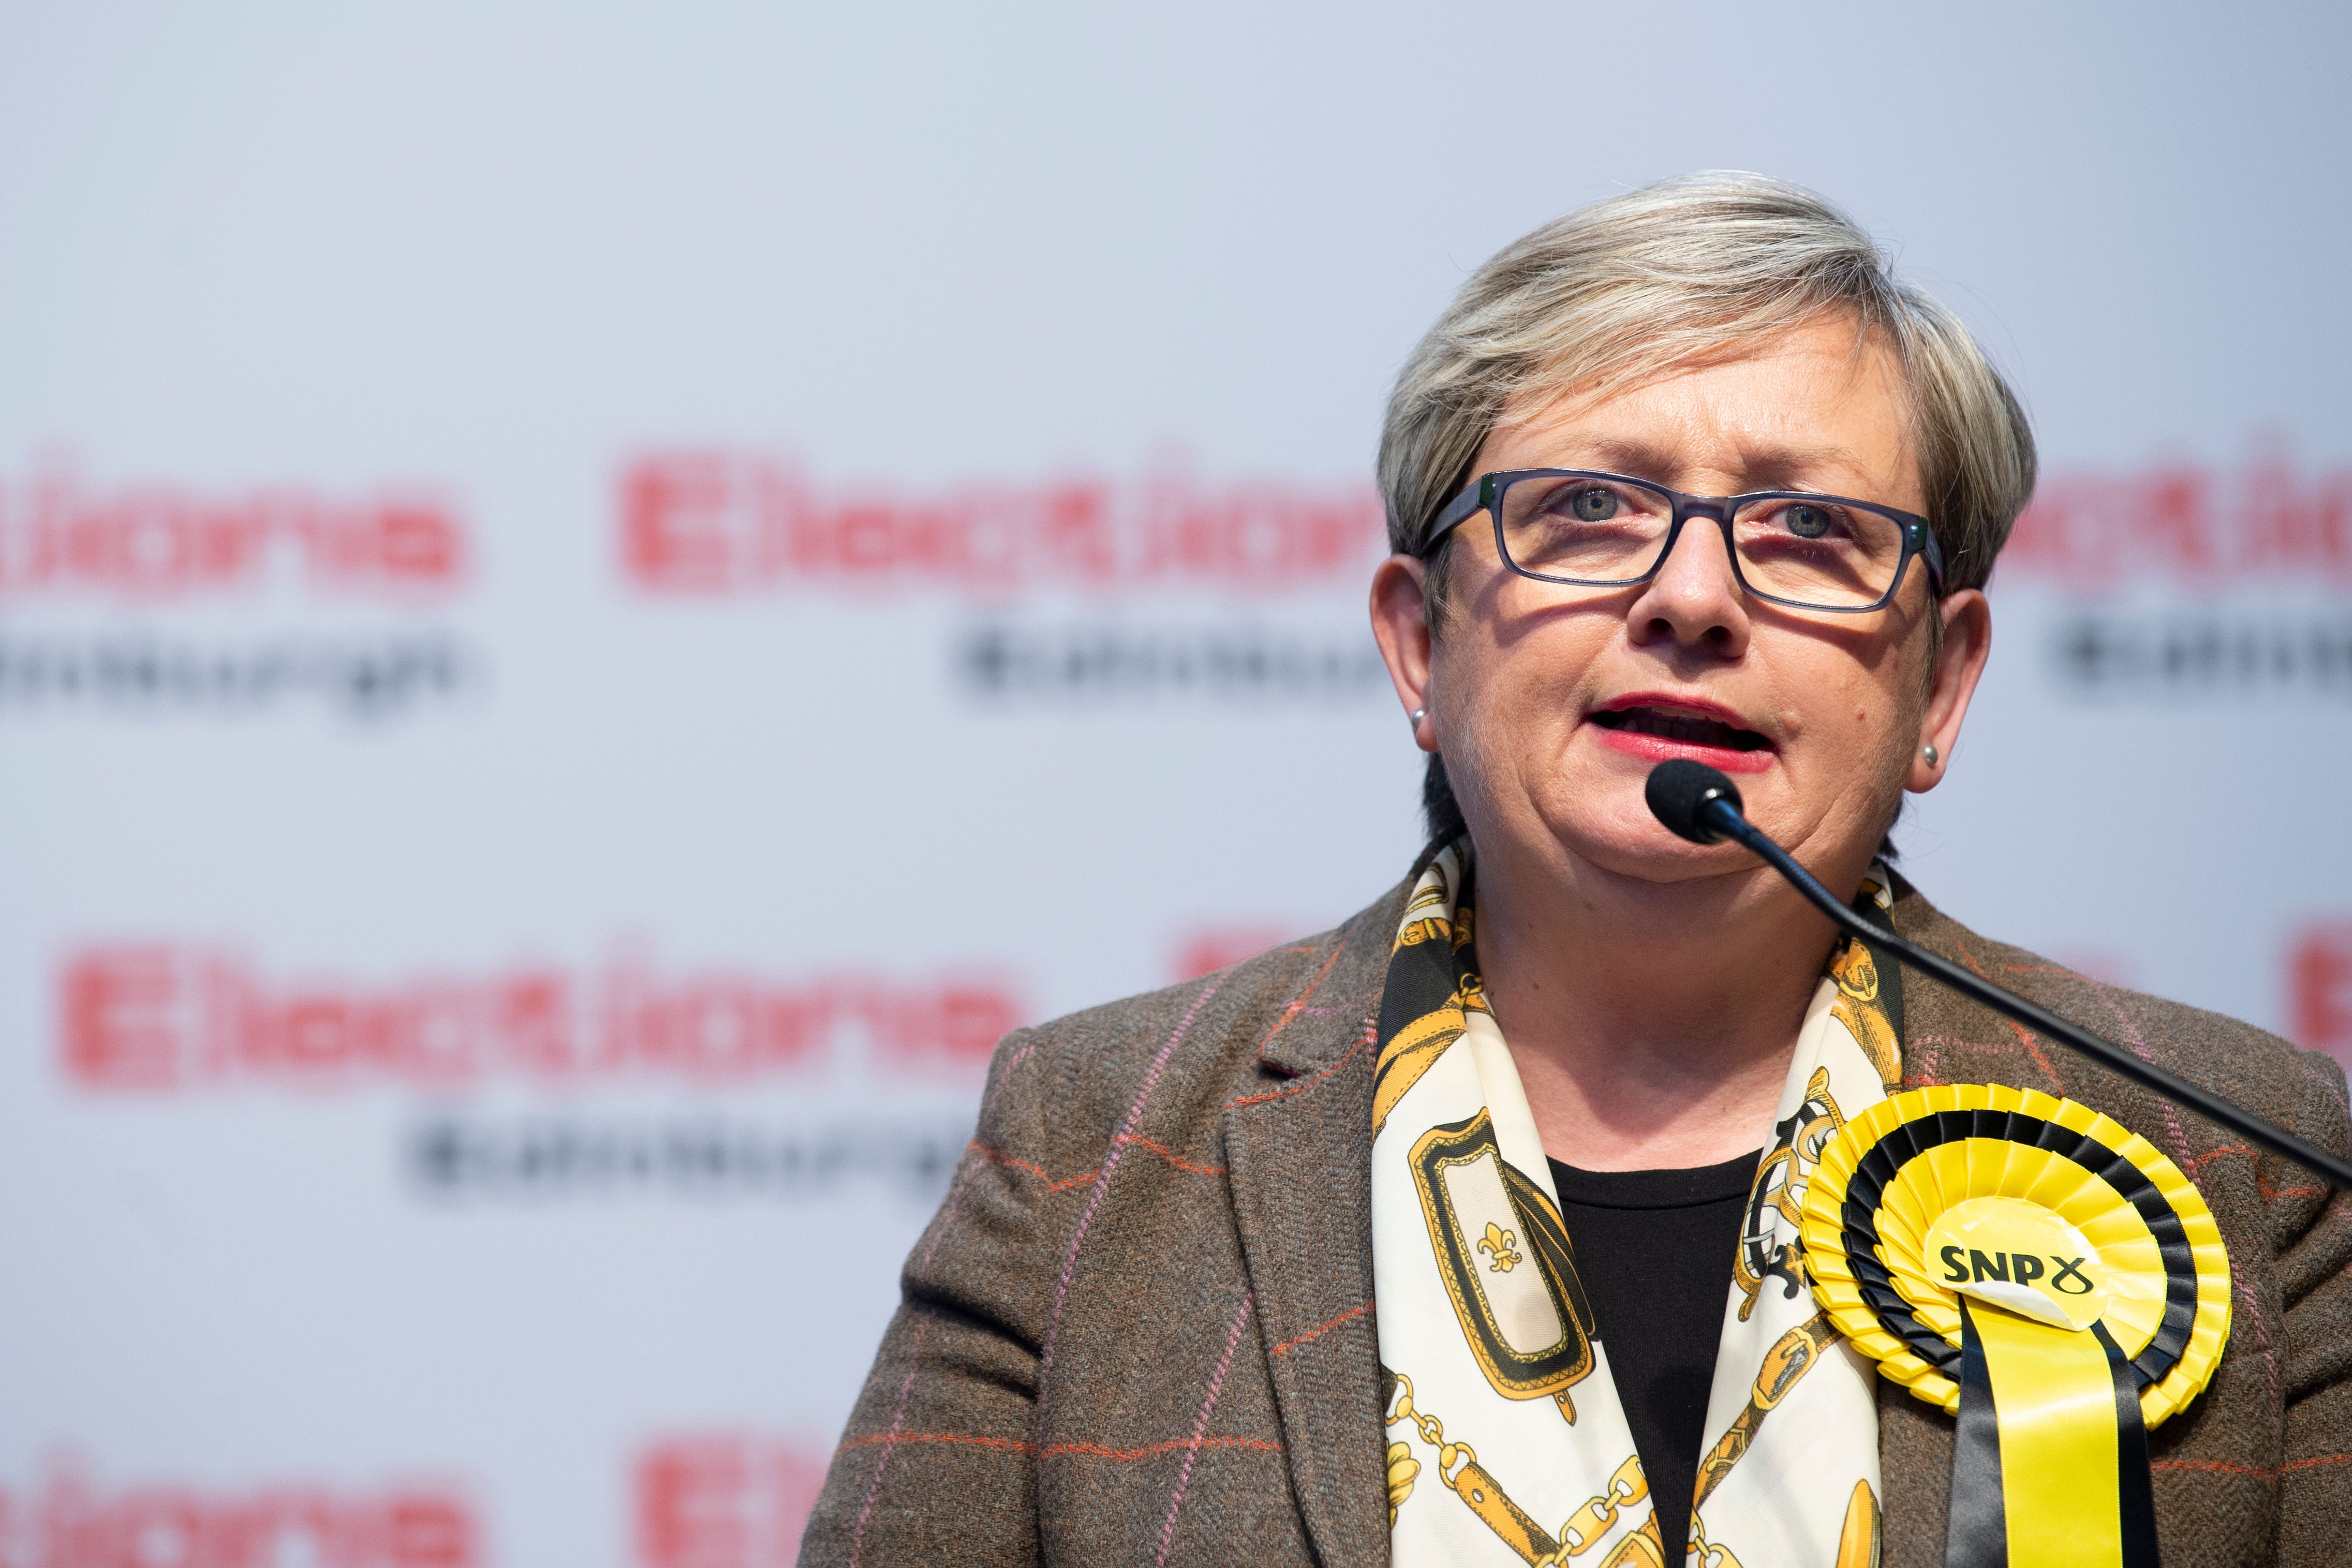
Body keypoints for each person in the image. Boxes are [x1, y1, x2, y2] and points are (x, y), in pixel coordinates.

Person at [797, 174, 2351, 1567]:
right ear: (1419, 641)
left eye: (1807, 529)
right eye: (1588, 510)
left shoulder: (2242, 1163)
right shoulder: (1099, 1144)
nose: (1690, 596)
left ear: (1939, 686)